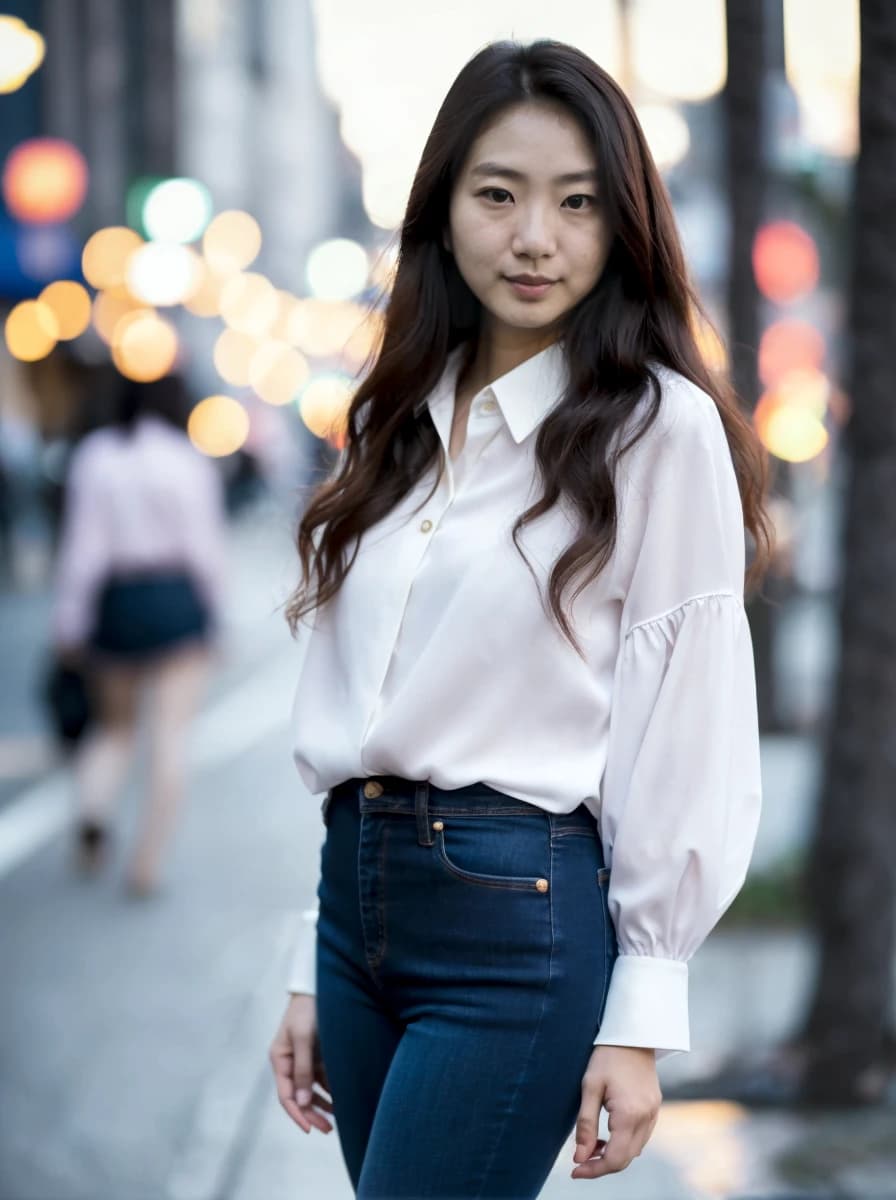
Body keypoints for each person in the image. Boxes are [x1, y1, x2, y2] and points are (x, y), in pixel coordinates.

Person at [268, 37, 772, 1197]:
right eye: (496, 194)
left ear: (620, 226)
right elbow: (360, 713)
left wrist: (642, 1012)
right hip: (357, 906)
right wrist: (305, 956)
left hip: (518, 921)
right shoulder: (393, 420)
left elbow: (683, 717)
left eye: (577, 204)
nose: (533, 237)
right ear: (441, 208)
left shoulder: (658, 428)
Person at [51, 373, 227, 897]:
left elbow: (83, 550)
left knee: (114, 728)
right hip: (176, 600)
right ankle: (146, 864)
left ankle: (92, 812)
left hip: (118, 602)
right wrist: (217, 618)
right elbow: (206, 550)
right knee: (170, 736)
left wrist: (70, 622)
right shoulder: (186, 460)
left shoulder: (96, 456)